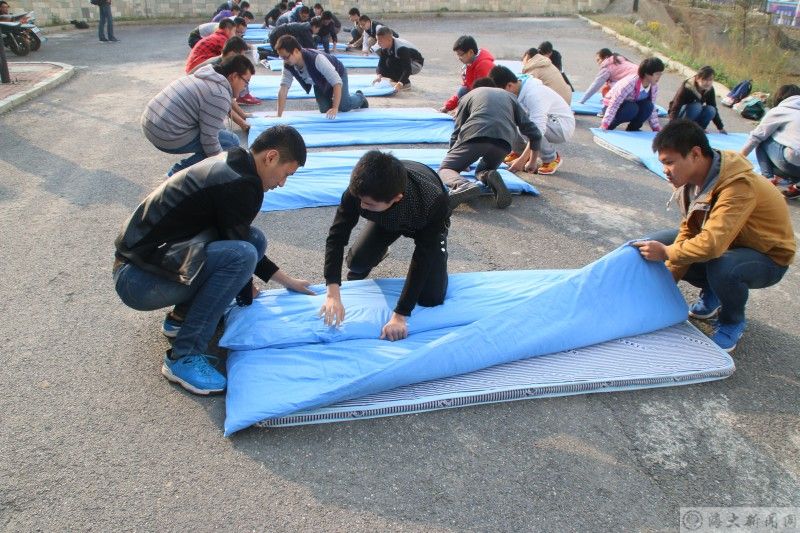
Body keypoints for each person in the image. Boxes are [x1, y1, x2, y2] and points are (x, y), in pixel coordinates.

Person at [114, 125, 313, 395]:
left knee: (253, 241)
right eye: (286, 174)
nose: (281, 183)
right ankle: (183, 357)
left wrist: (285, 282)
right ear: (271, 157)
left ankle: (180, 318)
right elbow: (239, 255)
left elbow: (238, 235)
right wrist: (244, 286)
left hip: (142, 265)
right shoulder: (243, 184)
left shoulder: (236, 161)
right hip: (137, 281)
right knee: (243, 256)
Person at [632, 120, 795, 352]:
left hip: (767, 258)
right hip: (728, 245)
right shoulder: (691, 183)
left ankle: (732, 321)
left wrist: (667, 253)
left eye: (669, 162)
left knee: (721, 265)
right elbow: (689, 230)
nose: (665, 170)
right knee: (653, 244)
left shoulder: (738, 186)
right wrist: (666, 281)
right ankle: (714, 291)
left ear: (695, 154)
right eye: (662, 163)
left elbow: (712, 245)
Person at [320, 151, 450, 341]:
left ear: (396, 198)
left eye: (369, 204)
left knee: (431, 298)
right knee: (357, 263)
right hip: (386, 218)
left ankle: (441, 253)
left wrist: (400, 315)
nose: (362, 206)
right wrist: (332, 293)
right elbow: (336, 236)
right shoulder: (360, 190)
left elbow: (423, 256)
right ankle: (379, 251)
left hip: (425, 223)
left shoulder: (432, 201)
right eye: (360, 200)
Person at [141, 55, 253, 177]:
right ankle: (176, 175)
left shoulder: (207, 76)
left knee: (222, 135)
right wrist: (222, 168)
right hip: (164, 134)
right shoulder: (218, 94)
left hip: (150, 121)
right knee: (229, 143)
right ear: (234, 76)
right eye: (246, 82)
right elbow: (209, 140)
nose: (245, 88)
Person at [439, 79, 542, 210]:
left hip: (475, 136)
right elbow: (534, 133)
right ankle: (489, 175)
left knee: (446, 169)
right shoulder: (510, 97)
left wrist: (457, 159)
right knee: (483, 170)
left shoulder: (467, 96)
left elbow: (457, 130)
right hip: (504, 142)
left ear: (474, 89)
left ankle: (462, 185)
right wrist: (532, 161)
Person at [490, 65, 575, 176]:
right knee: (512, 119)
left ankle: (551, 158)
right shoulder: (517, 85)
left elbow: (537, 131)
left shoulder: (534, 95)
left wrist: (526, 161)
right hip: (547, 121)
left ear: (509, 85)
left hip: (561, 126)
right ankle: (520, 152)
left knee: (525, 127)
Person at [275, 35, 368, 119]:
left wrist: (335, 108)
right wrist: (278, 116)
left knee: (343, 106)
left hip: (338, 74)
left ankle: (360, 97)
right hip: (319, 81)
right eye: (282, 58)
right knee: (325, 109)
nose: (284, 60)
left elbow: (337, 82)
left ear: (296, 51)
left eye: (286, 57)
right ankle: (337, 99)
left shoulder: (316, 59)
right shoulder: (288, 65)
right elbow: (283, 88)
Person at [741, 84, 800, 198]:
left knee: (764, 138)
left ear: (780, 97)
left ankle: (767, 179)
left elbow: (757, 136)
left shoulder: (782, 110)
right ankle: (796, 187)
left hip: (790, 161)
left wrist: (740, 157)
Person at [189, 36, 260, 113]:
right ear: (232, 53)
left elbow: (227, 99)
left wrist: (243, 115)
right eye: (241, 56)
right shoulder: (218, 67)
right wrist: (243, 117)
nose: (243, 59)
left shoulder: (222, 63)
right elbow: (224, 101)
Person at [601, 57, 664, 132]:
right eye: (657, 74)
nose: (659, 77)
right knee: (632, 108)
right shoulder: (630, 83)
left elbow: (652, 108)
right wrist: (605, 124)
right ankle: (610, 126)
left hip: (629, 105)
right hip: (610, 106)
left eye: (661, 74)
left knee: (649, 106)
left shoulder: (653, 86)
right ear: (647, 73)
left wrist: (656, 127)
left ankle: (633, 129)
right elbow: (614, 103)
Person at [440, 35, 495, 113]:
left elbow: (484, 93)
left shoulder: (483, 65)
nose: (459, 58)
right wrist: (448, 106)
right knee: (463, 90)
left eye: (461, 55)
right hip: (479, 96)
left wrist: (462, 109)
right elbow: (465, 88)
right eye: (458, 55)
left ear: (470, 52)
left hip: (490, 101)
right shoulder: (469, 65)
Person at [579, 48, 638, 116]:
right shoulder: (619, 60)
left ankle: (606, 110)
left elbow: (595, 85)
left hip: (634, 80)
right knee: (610, 85)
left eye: (598, 60)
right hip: (642, 77)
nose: (598, 63)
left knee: (612, 87)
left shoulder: (607, 67)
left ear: (606, 57)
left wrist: (582, 100)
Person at [668, 66, 727, 133]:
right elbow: (675, 107)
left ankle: (698, 129)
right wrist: (672, 127)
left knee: (711, 109)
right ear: (697, 79)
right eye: (704, 79)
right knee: (697, 106)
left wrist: (720, 127)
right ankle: (684, 128)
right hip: (680, 115)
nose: (708, 83)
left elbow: (713, 106)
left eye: (710, 80)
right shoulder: (687, 87)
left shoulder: (710, 89)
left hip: (693, 115)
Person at [374, 26, 424, 91]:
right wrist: (379, 75)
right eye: (377, 40)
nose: (378, 43)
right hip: (405, 61)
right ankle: (396, 79)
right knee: (386, 66)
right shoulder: (385, 46)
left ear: (389, 40)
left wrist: (400, 83)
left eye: (380, 41)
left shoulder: (401, 49)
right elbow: (381, 64)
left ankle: (406, 83)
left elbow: (407, 69)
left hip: (416, 64)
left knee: (391, 62)